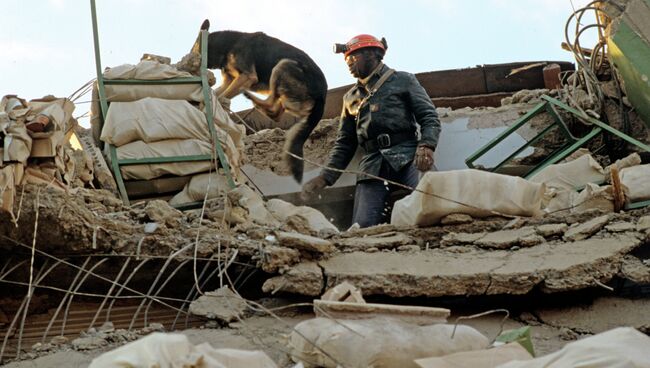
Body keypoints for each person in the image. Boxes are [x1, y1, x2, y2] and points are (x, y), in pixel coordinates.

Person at [302, 34, 441, 227]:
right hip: (372, 166)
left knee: (430, 203)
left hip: (409, 156)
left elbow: (429, 116)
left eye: (352, 57)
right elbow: (345, 143)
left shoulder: (402, 80)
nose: (348, 63)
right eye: (346, 60)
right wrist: (325, 177)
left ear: (371, 54)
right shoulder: (350, 98)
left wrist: (427, 145)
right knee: (362, 226)